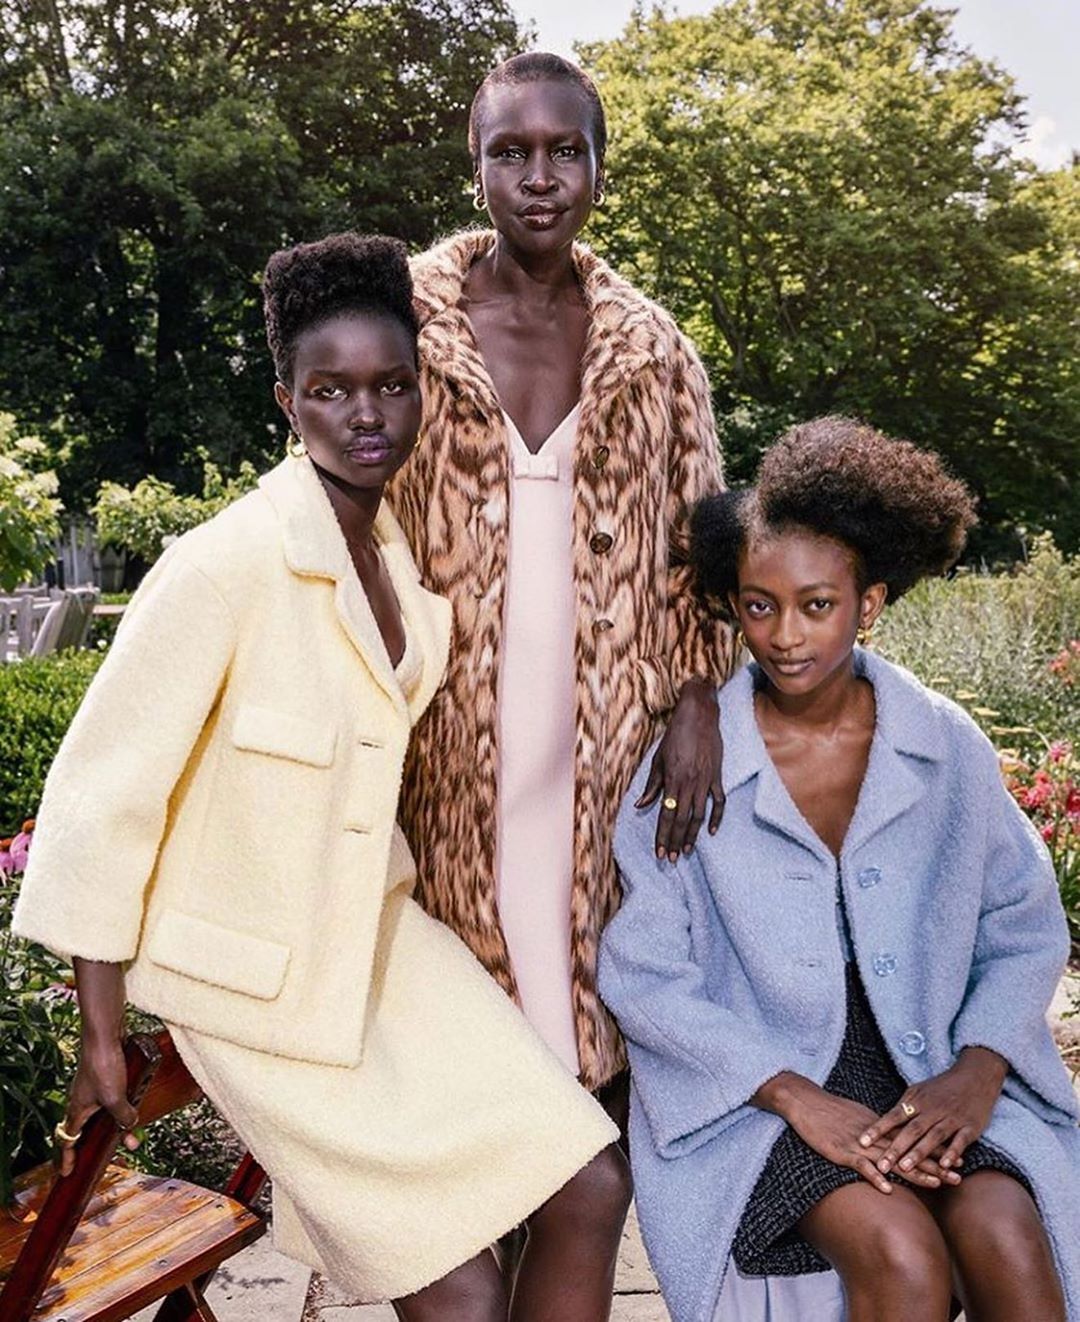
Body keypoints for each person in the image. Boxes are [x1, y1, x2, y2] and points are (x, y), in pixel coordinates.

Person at [12, 232, 622, 1321]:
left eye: (393, 385)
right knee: (464, 1288)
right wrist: (98, 1030)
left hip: (381, 946)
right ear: (288, 401)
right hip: (251, 986)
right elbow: (102, 795)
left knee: (588, 1178)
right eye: (333, 390)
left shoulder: (391, 554)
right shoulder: (222, 564)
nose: (368, 413)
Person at [599, 416, 1080, 1322]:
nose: (784, 636)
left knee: (1008, 1237)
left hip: (935, 1066)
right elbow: (644, 976)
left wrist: (978, 1071)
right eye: (758, 604)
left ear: (871, 604)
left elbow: (1022, 924)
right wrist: (793, 1095)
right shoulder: (689, 768)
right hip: (764, 1093)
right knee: (899, 1253)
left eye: (817, 605)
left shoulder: (943, 745)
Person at [387, 51, 737, 1108]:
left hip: (603, 731)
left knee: (586, 1030)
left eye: (563, 151)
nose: (539, 175)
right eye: (511, 152)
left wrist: (698, 699)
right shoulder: (402, 323)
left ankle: (570, 1213)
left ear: (595, 169)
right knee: (464, 1035)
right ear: (477, 169)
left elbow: (703, 545)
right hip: (446, 727)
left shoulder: (656, 350)